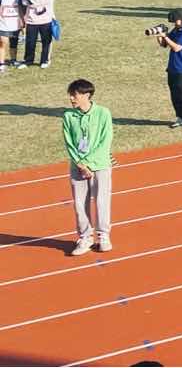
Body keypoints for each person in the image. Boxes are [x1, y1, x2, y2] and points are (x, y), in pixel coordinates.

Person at [63, 77, 114, 255]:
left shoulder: (103, 113)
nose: (71, 98)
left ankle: (103, 235)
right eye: (70, 95)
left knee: (101, 201)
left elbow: (105, 141)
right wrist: (80, 164)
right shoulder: (68, 116)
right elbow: (69, 142)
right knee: (79, 203)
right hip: (78, 167)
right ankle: (85, 237)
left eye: (74, 95)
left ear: (87, 95)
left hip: (99, 165)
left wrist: (89, 163)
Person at [19, 0, 55, 69]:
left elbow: (49, 0)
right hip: (31, 20)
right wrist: (29, 1)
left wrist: (37, 4)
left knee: (46, 41)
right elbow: (23, 1)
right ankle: (28, 60)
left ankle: (44, 60)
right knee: (30, 41)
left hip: (45, 19)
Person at [0, 0, 19, 71]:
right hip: (3, 25)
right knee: (2, 44)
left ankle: (13, 60)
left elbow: (21, 9)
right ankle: (1, 63)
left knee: (14, 44)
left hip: (15, 25)